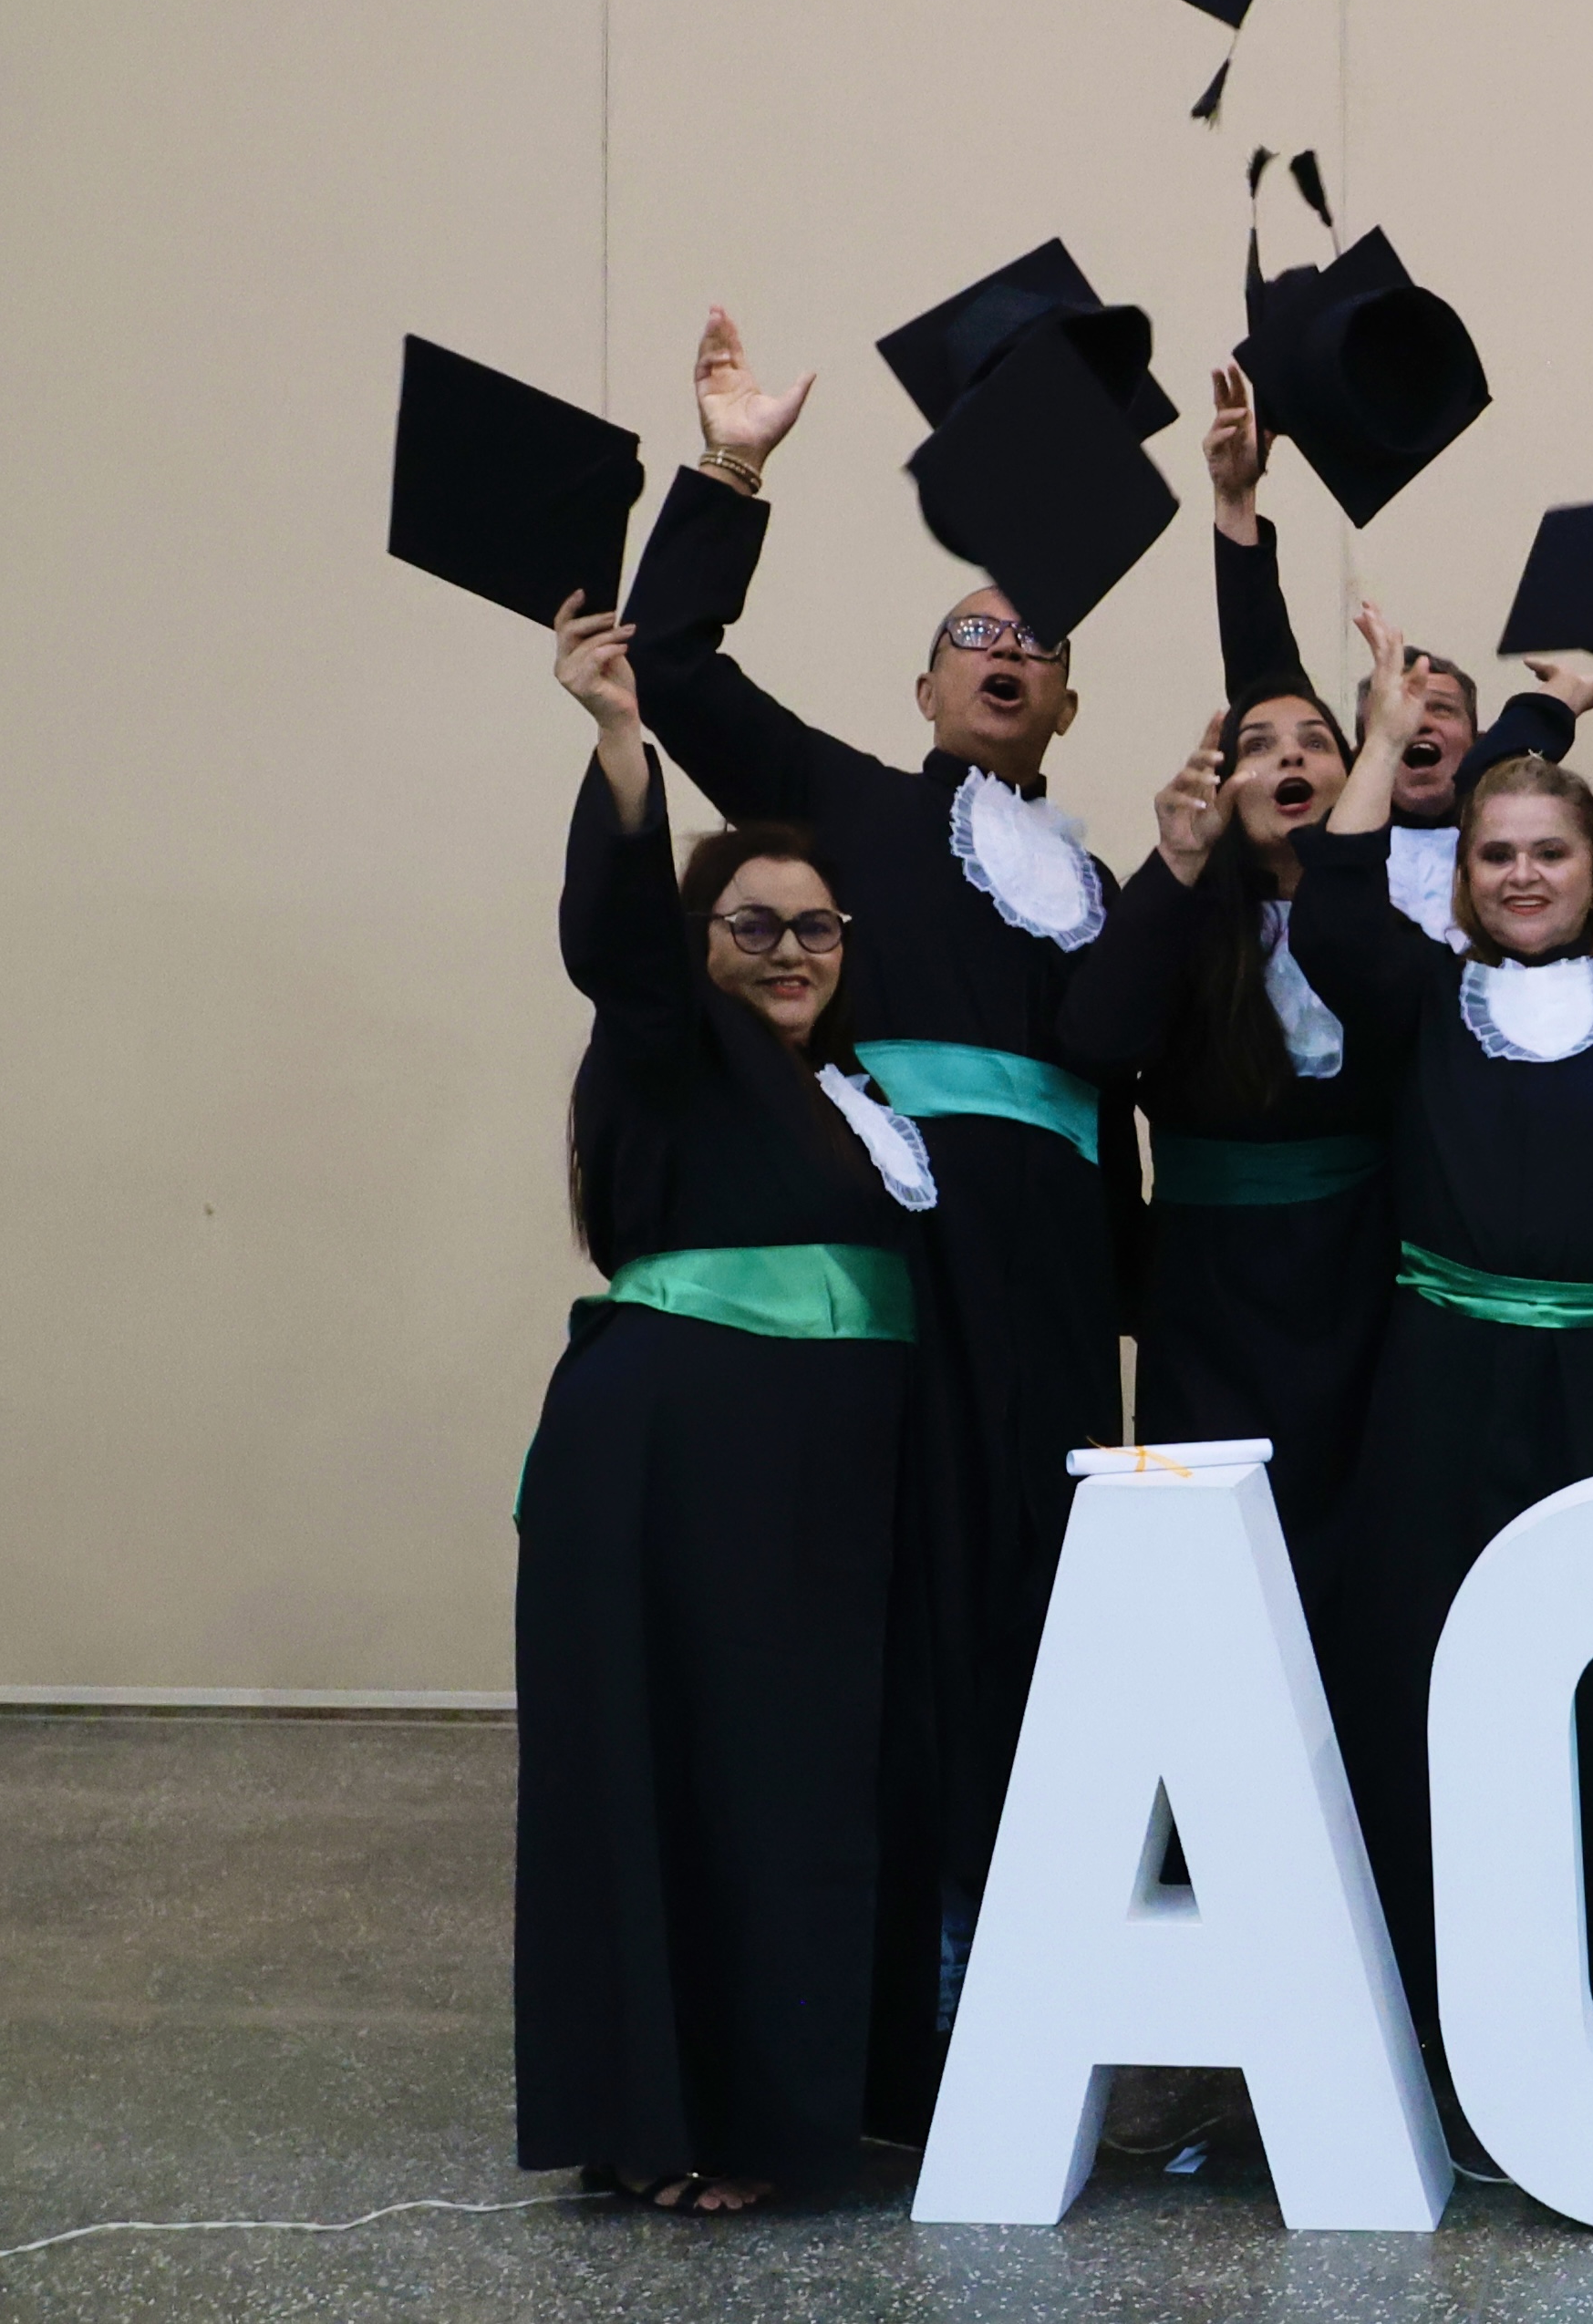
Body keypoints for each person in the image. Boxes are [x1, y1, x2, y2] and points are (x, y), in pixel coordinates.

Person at [620, 307, 1133, 2123]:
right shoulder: (843, 804)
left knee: (1045, 1629)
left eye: (1037, 642)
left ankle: (1031, 1959)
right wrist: (733, 467)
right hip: (909, 1280)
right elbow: (671, 661)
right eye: (970, 636)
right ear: (926, 694)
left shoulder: (1104, 884)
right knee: (895, 1619)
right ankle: (884, 1991)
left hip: (1064, 1304)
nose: (1005, 653)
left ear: (1066, 701)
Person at [1286, 603, 1593, 2044]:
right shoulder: (1426, 1003)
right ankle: (1458, 2030)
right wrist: (1380, 741)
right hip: (1446, 1389)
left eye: (1549, 852)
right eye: (1495, 855)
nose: (1519, 875)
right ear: (1466, 880)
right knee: (1446, 1689)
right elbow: (1328, 908)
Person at [518, 595, 933, 2216]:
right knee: (686, 1777)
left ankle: (776, 2100)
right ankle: (689, 2116)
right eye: (751, 924)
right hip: (685, 1465)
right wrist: (623, 742)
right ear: (699, 947)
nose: (785, 951)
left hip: (811, 1485)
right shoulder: (672, 1040)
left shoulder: (860, 1092)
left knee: (789, 1784)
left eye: (815, 927)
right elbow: (614, 936)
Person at [1056, 682, 1398, 1552]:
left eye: (1317, 741)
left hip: (1360, 1266)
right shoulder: (1182, 919)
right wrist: (1174, 861)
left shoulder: (1395, 926)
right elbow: (1095, 1039)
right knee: (1213, 1530)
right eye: (1260, 745)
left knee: (1359, 1521)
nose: (1290, 757)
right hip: (1207, 1281)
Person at [1205, 361, 1593, 949]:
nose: (1418, 723)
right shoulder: (1332, 838)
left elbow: (1489, 773)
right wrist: (1236, 502)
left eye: (1444, 710)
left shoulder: (1502, 852)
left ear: (1478, 742)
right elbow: (1264, 674)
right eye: (1398, 713)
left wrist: (1553, 706)